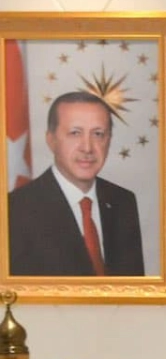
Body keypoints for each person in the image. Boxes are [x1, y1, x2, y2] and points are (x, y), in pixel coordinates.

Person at [9, 92, 145, 277]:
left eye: (98, 134)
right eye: (75, 133)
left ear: (108, 140)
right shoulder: (15, 210)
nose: (87, 147)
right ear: (51, 140)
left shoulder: (123, 201)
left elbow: (133, 289)